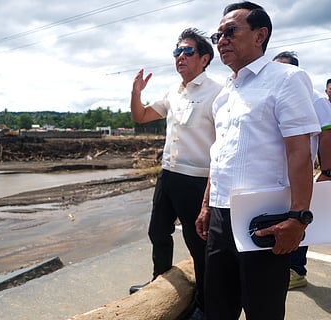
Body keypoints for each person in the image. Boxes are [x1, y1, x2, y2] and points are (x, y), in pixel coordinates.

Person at [195, 2, 321, 320]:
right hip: (221, 216)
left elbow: (300, 152)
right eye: (217, 34)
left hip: (263, 218)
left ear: (260, 35)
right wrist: (207, 205)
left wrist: (299, 217)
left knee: (262, 308)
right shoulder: (225, 92)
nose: (221, 40)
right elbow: (220, 153)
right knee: (218, 306)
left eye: (230, 31)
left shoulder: (286, 79)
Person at [129, 27, 222, 319]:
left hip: (197, 180)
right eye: (177, 52)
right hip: (168, 174)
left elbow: (223, 143)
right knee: (157, 231)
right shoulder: (173, 90)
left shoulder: (218, 92)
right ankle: (160, 284)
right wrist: (136, 93)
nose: (180, 57)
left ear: (205, 58)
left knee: (199, 245)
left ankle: (206, 305)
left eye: (187, 51)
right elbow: (140, 116)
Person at [273, 51, 331, 289]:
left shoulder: (315, 98)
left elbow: (326, 134)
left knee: (300, 220)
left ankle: (296, 270)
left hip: (300, 175)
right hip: (277, 177)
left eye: (283, 69)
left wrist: (327, 171)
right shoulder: (274, 93)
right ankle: (283, 267)